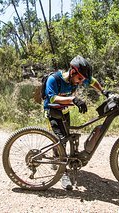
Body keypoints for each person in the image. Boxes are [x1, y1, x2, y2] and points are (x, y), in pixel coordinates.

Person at [44, 55, 105, 190]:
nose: (81, 82)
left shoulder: (78, 77)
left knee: (66, 137)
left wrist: (103, 91)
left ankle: (57, 157)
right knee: (61, 141)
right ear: (72, 72)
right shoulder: (53, 79)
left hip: (65, 113)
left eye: (82, 79)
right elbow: (52, 99)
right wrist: (73, 100)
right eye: (79, 78)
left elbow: (92, 81)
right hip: (53, 113)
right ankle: (63, 173)